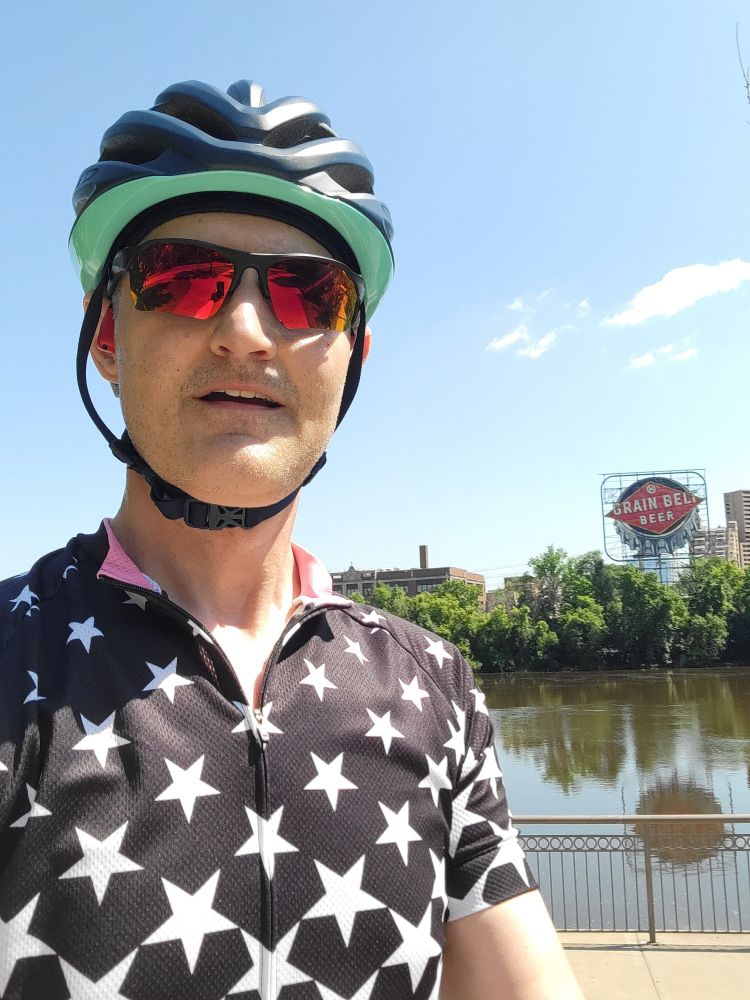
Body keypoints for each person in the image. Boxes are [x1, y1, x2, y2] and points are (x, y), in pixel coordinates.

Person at [0, 79, 583, 999]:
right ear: (106, 334)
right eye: (182, 278)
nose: (245, 331)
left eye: (309, 294)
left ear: (353, 353)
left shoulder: (433, 685)